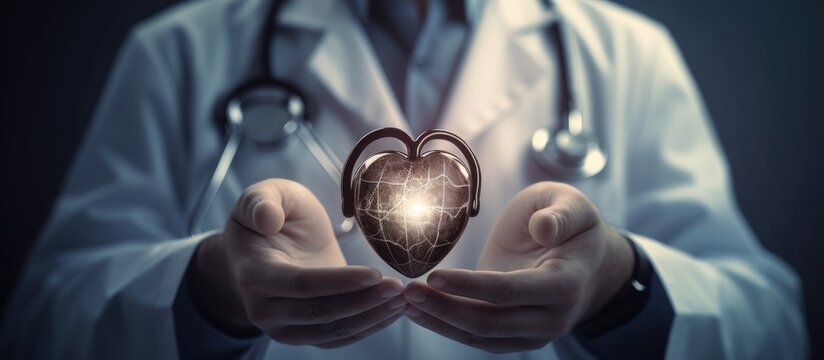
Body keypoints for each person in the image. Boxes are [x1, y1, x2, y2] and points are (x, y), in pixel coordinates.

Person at [0, 0, 807, 358]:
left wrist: (622, 290)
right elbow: (39, 324)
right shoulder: (178, 51)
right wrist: (206, 292)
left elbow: (772, 326)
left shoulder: (626, 54)